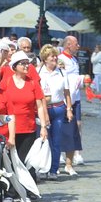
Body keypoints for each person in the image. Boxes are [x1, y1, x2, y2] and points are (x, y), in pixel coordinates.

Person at [0, 51, 49, 181]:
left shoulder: (33, 83)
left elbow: (40, 106)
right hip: (10, 128)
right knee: (11, 160)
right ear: (15, 66)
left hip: (28, 128)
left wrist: (44, 126)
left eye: (27, 63)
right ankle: (11, 191)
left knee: (26, 160)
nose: (26, 66)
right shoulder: (6, 82)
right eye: (23, 64)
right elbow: (0, 102)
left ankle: (28, 189)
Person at [37, 44, 75, 177]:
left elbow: (67, 92)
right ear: (45, 58)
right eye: (51, 56)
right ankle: (42, 169)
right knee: (44, 140)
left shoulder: (62, 72)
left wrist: (69, 109)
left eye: (55, 55)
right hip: (43, 109)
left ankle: (53, 170)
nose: (54, 58)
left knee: (57, 140)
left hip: (58, 108)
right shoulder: (39, 72)